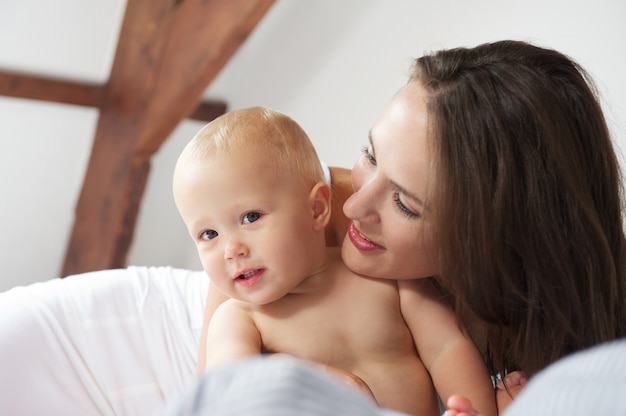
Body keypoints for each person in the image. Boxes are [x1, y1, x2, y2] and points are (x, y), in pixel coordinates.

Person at [172, 39, 626, 415]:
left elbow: (452, 356)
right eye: (369, 154)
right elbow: (218, 393)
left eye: (406, 205)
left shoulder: (574, 353)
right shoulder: (292, 217)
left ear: (484, 243)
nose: (353, 206)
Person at [172, 106, 497, 416]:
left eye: (250, 216)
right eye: (209, 235)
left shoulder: (387, 279)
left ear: (316, 209)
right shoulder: (239, 319)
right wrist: (294, 377)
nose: (232, 249)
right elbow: (227, 398)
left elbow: (448, 348)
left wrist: (472, 409)